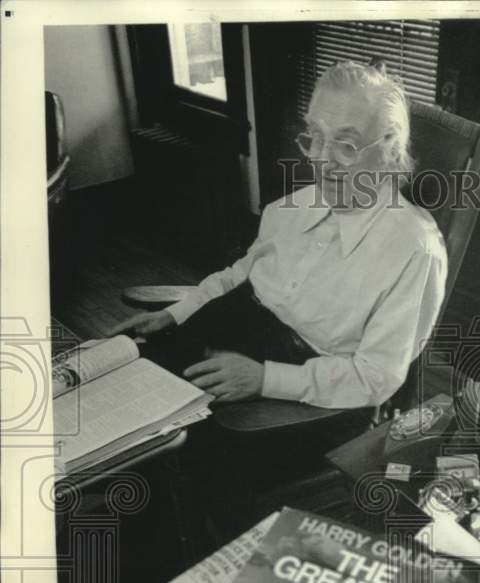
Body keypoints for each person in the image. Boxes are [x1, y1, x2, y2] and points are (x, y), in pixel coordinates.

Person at [112, 61, 448, 411]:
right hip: (229, 332)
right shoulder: (291, 207)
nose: (321, 160)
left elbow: (375, 378)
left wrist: (264, 379)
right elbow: (241, 274)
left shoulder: (415, 252)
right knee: (122, 386)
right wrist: (177, 313)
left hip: (305, 394)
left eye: (346, 145)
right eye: (315, 137)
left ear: (391, 149)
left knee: (156, 433)